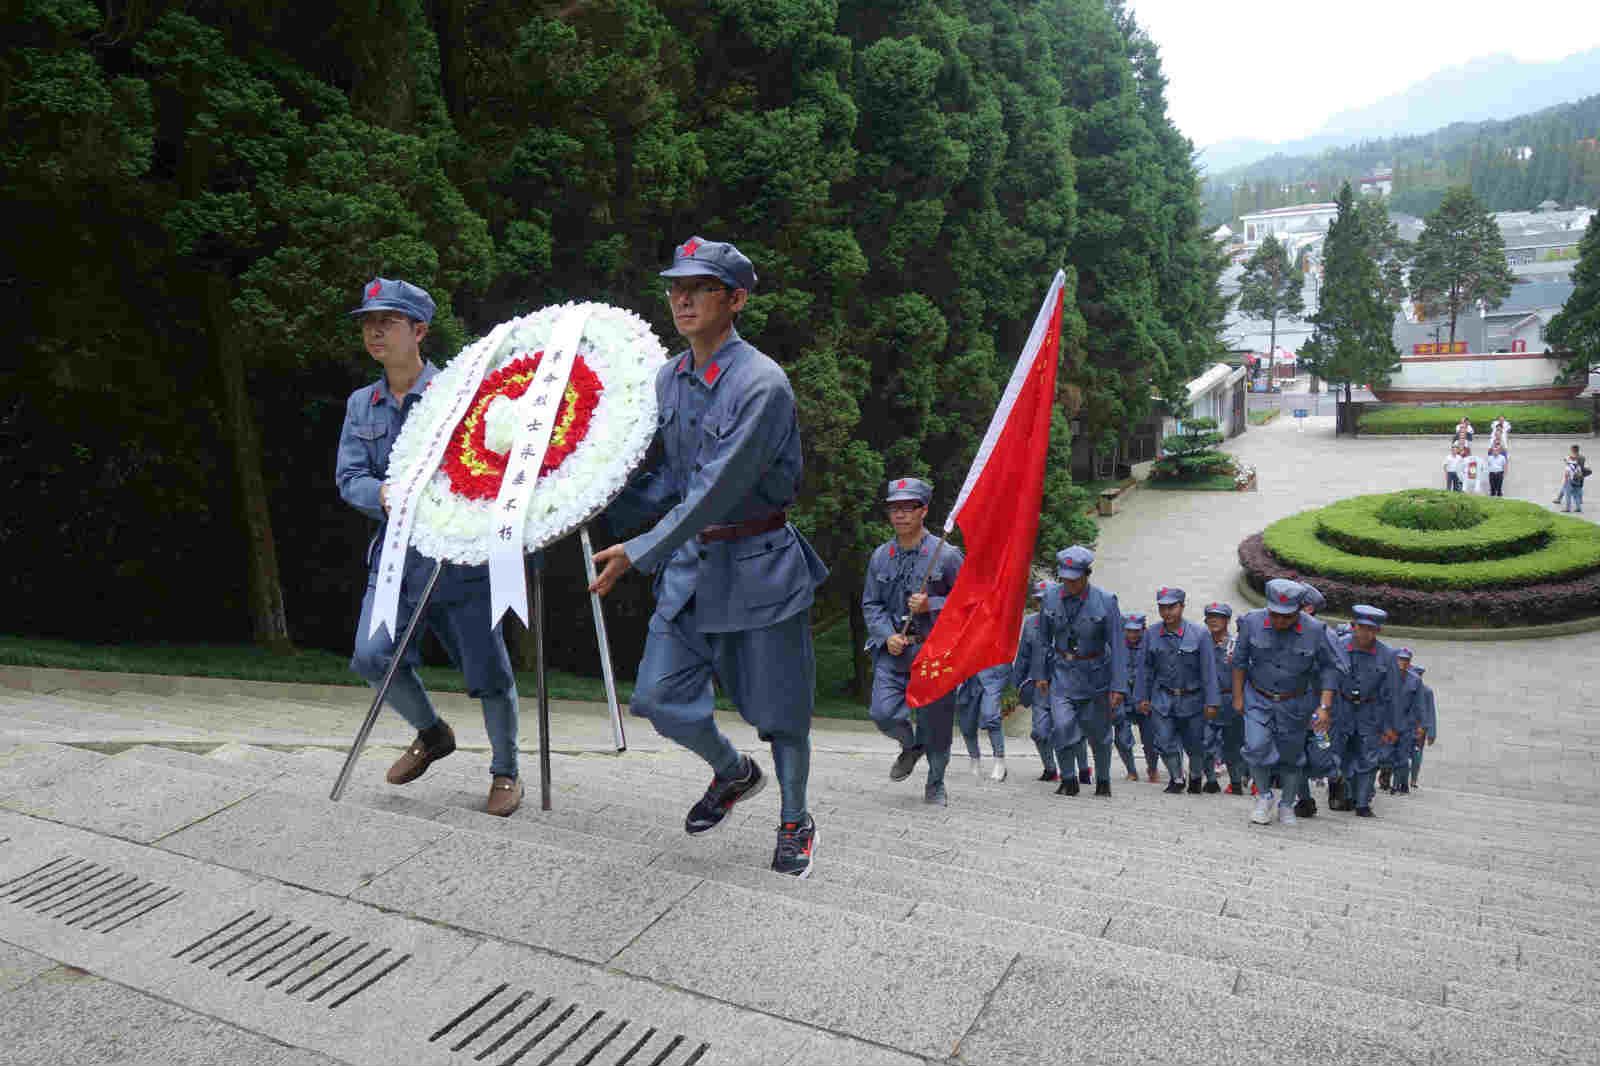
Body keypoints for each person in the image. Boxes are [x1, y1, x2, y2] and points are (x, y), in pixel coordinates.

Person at [590, 237, 830, 877]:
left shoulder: (761, 385)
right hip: (692, 566)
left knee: (781, 714)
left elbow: (716, 489)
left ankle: (794, 819)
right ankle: (732, 772)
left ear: (737, 299)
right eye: (675, 286)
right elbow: (671, 480)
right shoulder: (671, 377)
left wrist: (640, 549)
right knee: (657, 698)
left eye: (700, 287)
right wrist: (588, 497)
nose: (683, 298)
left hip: (759, 567)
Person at [338, 278, 527, 817]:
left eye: (388, 321)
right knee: (371, 657)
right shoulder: (361, 404)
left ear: (418, 330)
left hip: (460, 559)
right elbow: (349, 476)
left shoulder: (463, 394)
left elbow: (492, 468)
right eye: (368, 321)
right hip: (396, 558)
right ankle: (431, 732)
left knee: (488, 671)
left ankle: (506, 771)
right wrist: (381, 493)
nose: (374, 330)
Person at [862, 477, 965, 806]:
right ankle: (911, 745)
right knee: (881, 713)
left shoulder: (946, 556)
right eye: (894, 508)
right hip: (894, 651)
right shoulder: (881, 555)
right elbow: (871, 604)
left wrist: (931, 605)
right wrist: (885, 635)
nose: (900, 515)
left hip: (933, 652)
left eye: (908, 508)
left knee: (936, 721)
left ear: (923, 511)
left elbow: (968, 605)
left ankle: (935, 784)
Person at [1231, 579, 1344, 827]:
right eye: (1275, 615)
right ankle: (1264, 796)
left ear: (1299, 610)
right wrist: (1238, 697)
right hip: (1258, 698)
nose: (1280, 621)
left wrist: (1324, 706)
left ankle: (1287, 804)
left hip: (1295, 703)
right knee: (1256, 746)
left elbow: (1329, 669)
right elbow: (1239, 661)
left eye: (1287, 616)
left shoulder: (1315, 630)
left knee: (1292, 758)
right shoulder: (1252, 622)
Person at [1033, 546, 1128, 798]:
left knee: (1098, 732)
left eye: (1074, 579)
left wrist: (1118, 686)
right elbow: (1042, 639)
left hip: (1096, 674)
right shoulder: (1051, 598)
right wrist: (1040, 674)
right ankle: (1068, 779)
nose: (1069, 583)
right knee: (1062, 725)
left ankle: (1103, 780)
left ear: (1086, 574)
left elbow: (1118, 646)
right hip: (1062, 672)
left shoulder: (1106, 601)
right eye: (1064, 578)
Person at [1134, 587, 1221, 795]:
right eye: (1162, 608)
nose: (1167, 613)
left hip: (1193, 698)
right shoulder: (1151, 634)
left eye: (1171, 607)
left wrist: (1212, 702)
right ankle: (1176, 777)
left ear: (1182, 606)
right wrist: (1142, 697)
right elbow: (1145, 668)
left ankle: (1196, 776)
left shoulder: (1200, 634)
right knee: (1164, 740)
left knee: (1195, 743)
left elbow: (1208, 671)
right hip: (1163, 696)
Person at [1329, 606, 1401, 818]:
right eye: (1362, 627)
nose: (1366, 633)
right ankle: (1346, 793)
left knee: (1368, 758)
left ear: (1378, 631)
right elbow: (1326, 680)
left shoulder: (1387, 655)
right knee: (1339, 756)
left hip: (1370, 712)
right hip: (1342, 709)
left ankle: (1362, 804)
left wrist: (1392, 726)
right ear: (1354, 626)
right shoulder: (1338, 647)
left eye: (1372, 629)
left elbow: (1393, 693)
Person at [1013, 579, 1058, 781]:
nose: (1042, 605)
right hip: (1039, 687)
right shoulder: (1030, 622)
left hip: (1065, 685)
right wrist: (1016, 685)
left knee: (1068, 731)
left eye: (1046, 600)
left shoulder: (1066, 619)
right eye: (1039, 601)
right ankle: (1050, 768)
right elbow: (1023, 655)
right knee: (1039, 732)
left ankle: (1078, 768)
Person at [1202, 602, 1247, 795]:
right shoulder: (1200, 643)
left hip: (1231, 701)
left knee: (1233, 745)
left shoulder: (1236, 645)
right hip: (1206, 700)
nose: (1214, 620)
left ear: (1227, 620)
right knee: (1203, 742)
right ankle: (1211, 780)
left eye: (1219, 617)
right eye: (1210, 616)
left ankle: (1236, 783)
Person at [1112, 613, 1155, 782]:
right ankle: (1131, 770)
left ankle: (1152, 768)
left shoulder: (1150, 646)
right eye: (1128, 631)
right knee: (1122, 738)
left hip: (1144, 698)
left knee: (1151, 739)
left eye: (1136, 631)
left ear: (1143, 630)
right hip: (1123, 698)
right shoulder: (1115, 647)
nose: (1132, 635)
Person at [957, 660, 1010, 783]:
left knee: (990, 715)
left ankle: (999, 760)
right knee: (967, 723)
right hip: (967, 672)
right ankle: (974, 759)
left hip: (994, 671)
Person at [1382, 647, 1422, 796]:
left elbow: (1417, 705)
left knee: (1403, 756)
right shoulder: (1388, 677)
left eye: (1406, 660)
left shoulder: (1415, 680)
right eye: (1400, 659)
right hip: (1389, 723)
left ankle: (1398, 784)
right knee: (1387, 755)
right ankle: (1388, 779)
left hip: (1406, 724)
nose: (1402, 662)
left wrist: (1417, 725)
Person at [1409, 665, 1436, 788]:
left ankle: (1414, 779)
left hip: (1420, 728)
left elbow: (1431, 712)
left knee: (1417, 754)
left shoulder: (1427, 692)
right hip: (1407, 726)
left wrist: (1431, 732)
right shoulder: (1408, 688)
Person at [1560, 445, 1590, 512]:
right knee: (1576, 494)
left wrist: (1565, 481)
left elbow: (1567, 473)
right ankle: (1578, 507)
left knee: (1568, 494)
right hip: (1578, 479)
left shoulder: (1568, 463)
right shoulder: (1580, 460)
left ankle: (1567, 508)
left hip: (1570, 480)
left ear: (1572, 450)